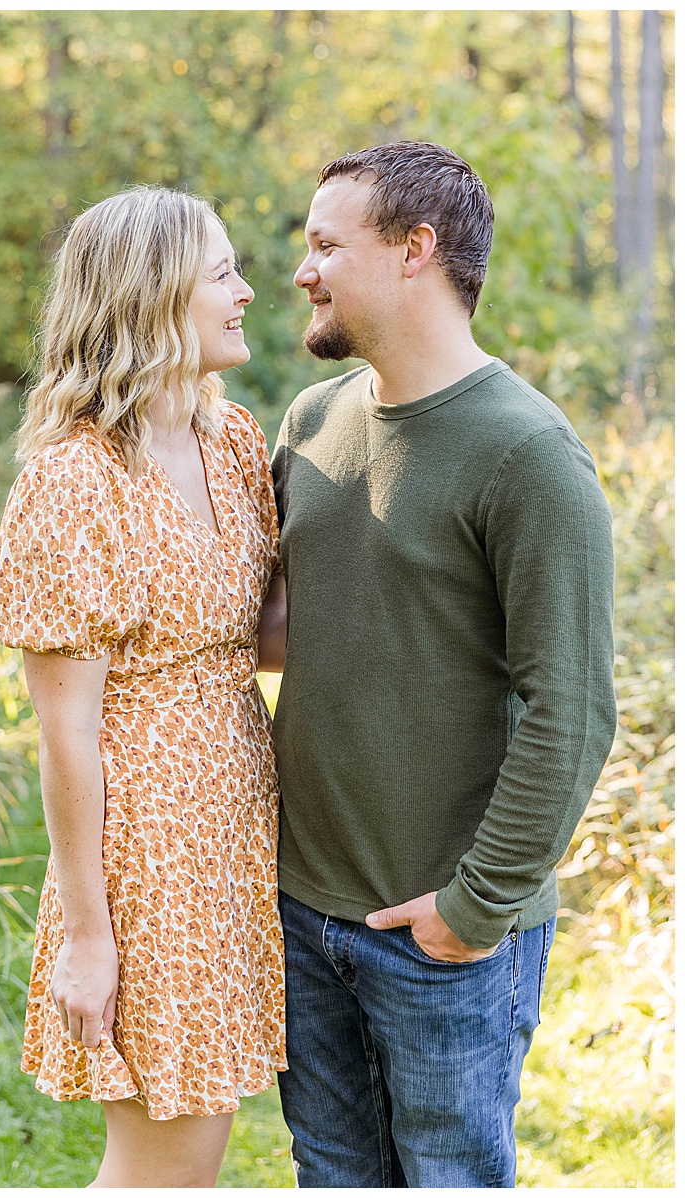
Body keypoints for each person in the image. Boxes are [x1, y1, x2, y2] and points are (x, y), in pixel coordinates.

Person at [271, 141, 618, 1187]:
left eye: (326, 244)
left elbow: (572, 709)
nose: (302, 270)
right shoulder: (311, 421)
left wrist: (473, 910)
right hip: (301, 912)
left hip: (442, 937)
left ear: (416, 249)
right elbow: (293, 629)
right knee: (332, 1175)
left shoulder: (527, 454)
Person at [0, 186, 288, 1187]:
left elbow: (259, 633)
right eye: (222, 274)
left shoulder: (230, 439)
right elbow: (64, 730)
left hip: (233, 831)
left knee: (198, 1141)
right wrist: (87, 936)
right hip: (148, 852)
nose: (247, 291)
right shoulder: (75, 479)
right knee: (169, 1156)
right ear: (151, 297)